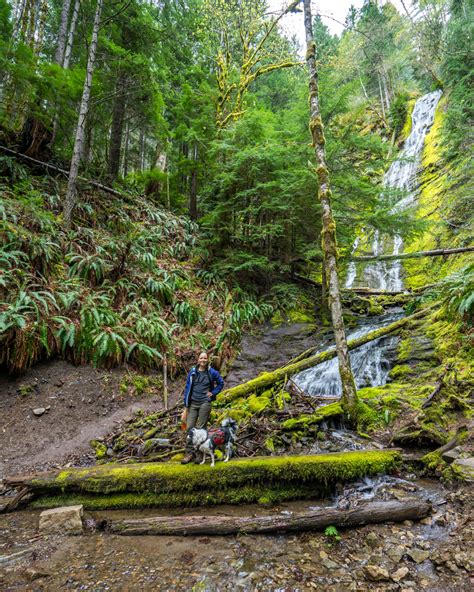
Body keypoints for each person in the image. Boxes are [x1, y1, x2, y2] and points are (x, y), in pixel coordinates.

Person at [180, 351, 224, 464]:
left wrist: (213, 392)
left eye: (205, 358)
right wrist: (186, 406)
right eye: (201, 358)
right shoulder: (193, 372)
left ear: (207, 359)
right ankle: (190, 453)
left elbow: (221, 383)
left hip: (205, 402)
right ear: (198, 360)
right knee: (189, 427)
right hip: (193, 403)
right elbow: (187, 388)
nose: (203, 360)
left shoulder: (212, 372)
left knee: (200, 427)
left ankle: (200, 454)